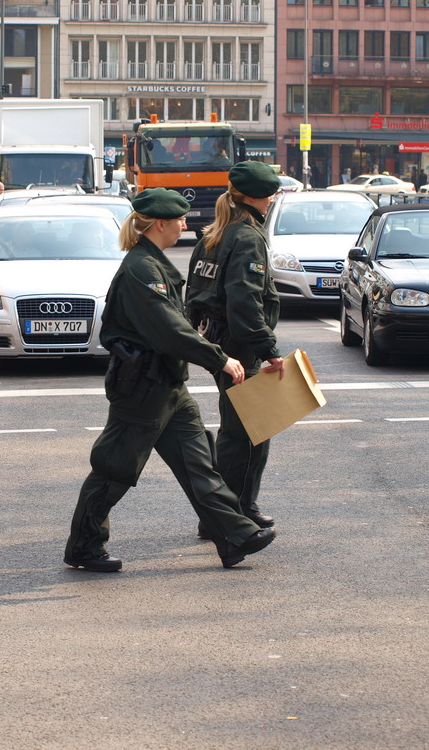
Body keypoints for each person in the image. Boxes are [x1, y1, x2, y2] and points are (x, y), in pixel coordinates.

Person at [64, 188, 276, 572]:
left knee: (200, 465)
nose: (185, 223)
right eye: (178, 219)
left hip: (169, 386)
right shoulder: (140, 270)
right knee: (115, 469)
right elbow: (170, 330)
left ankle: (234, 536)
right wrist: (219, 359)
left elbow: (179, 324)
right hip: (142, 389)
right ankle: (84, 545)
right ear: (159, 224)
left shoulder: (153, 263)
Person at [185, 161, 284, 536]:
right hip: (241, 347)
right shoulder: (246, 237)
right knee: (247, 433)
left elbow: (194, 297)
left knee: (242, 429)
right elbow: (245, 301)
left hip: (220, 343)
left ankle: (235, 508)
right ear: (260, 198)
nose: (273, 198)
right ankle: (228, 514)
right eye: (271, 193)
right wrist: (268, 347)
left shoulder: (214, 234)